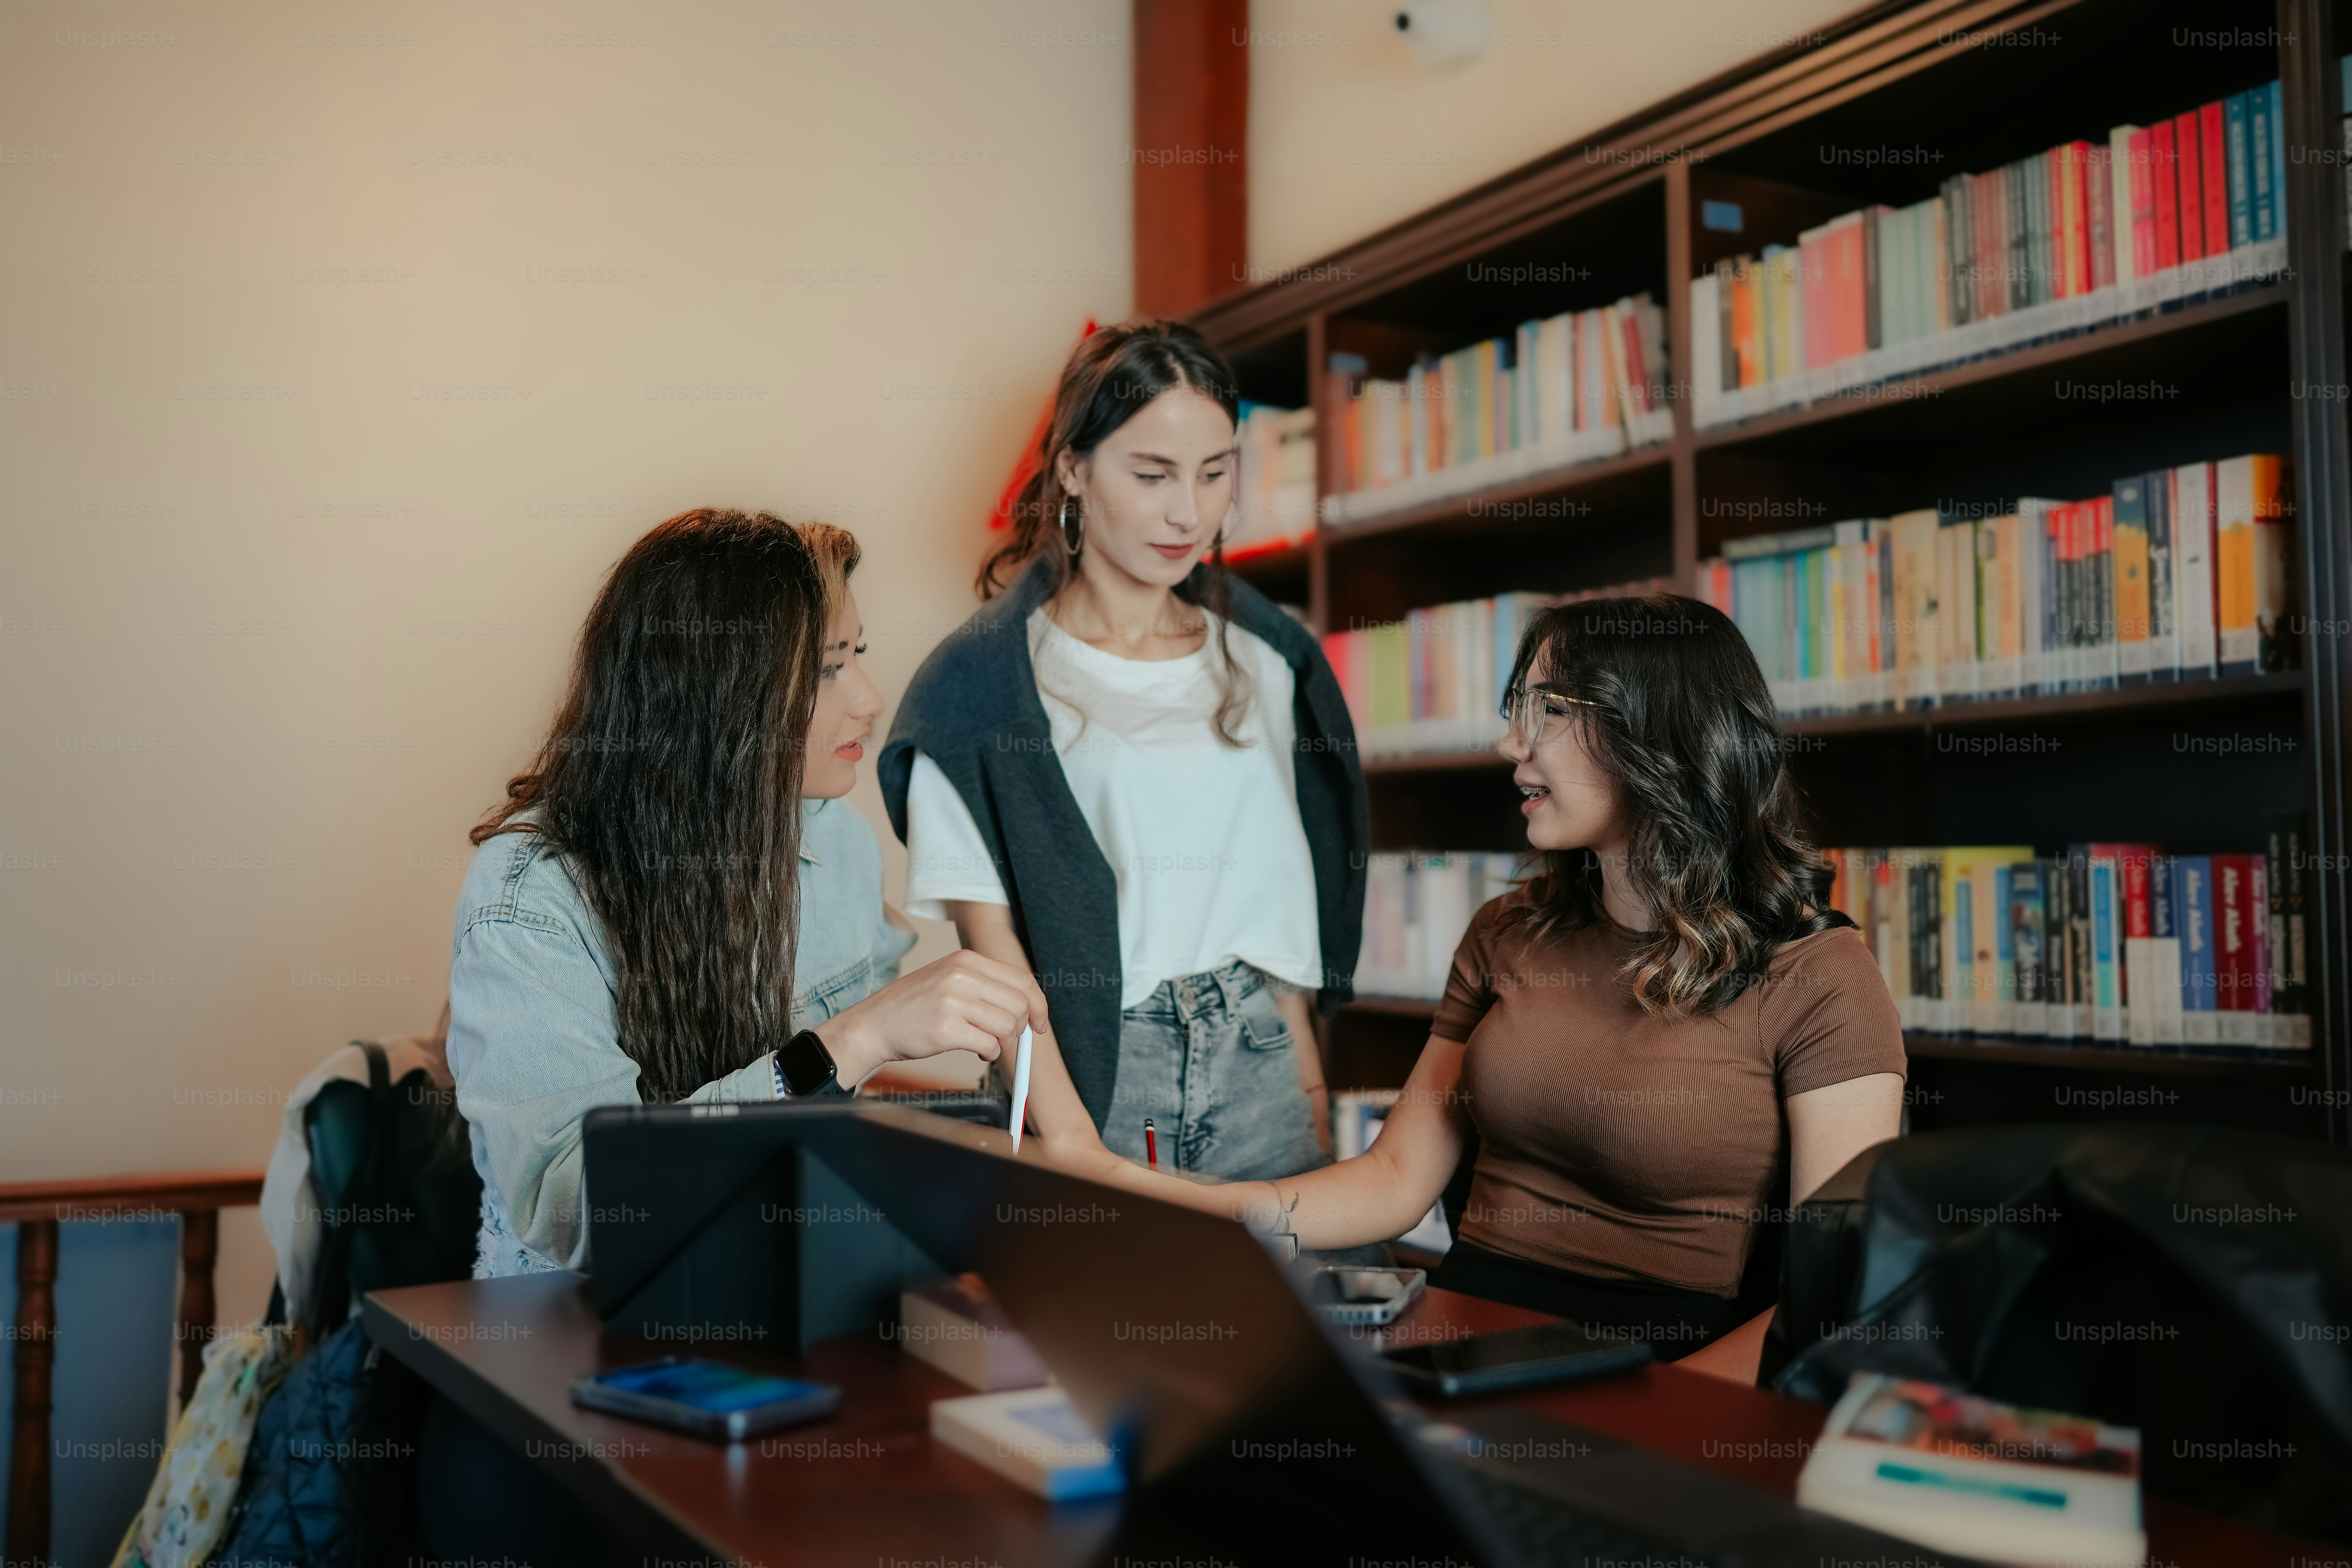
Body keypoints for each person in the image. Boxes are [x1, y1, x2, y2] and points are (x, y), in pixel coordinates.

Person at [1031, 593, 1908, 1384]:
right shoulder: (1507, 933)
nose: (1508, 744)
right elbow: (1396, 1175)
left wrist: (1663, 1414)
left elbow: (1832, 1300)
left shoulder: (1822, 978)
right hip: (1459, 1348)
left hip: (1664, 1374)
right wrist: (1157, 1195)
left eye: (1548, 711)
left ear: (1659, 736)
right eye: (1513, 710)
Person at [445, 508, 1049, 1278]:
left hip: (782, 1289)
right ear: (720, 694)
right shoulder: (533, 897)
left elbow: (838, 1131)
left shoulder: (837, 840)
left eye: (856, 655)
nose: (868, 698)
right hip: (575, 1335)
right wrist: (848, 1043)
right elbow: (580, 1208)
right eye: (828, 669)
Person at [878, 320, 1370, 1183]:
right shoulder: (979, 689)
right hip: (1103, 1074)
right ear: (1072, 467)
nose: (1190, 511)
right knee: (1121, 1313)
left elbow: (1280, 910)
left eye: (1216, 472)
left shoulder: (1270, 656)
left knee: (1316, 1308)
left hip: (1260, 1055)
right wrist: (1068, 1140)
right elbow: (996, 964)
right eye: (1153, 474)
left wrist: (1310, 1086)